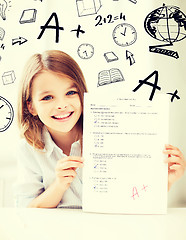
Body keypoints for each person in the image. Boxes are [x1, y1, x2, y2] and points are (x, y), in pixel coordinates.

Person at [14, 50, 185, 208]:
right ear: (31, 107)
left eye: (70, 93)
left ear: (82, 94)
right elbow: (27, 209)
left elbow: (134, 197)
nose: (62, 105)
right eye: (47, 97)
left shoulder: (110, 133)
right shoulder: (28, 149)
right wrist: (59, 185)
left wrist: (166, 181)